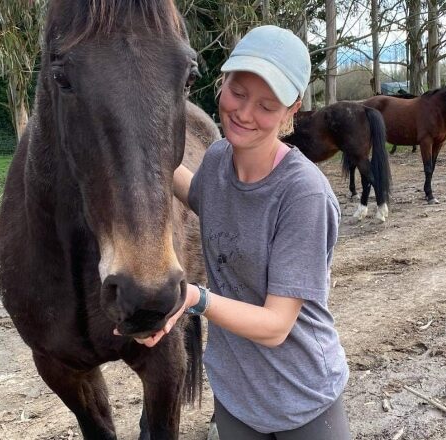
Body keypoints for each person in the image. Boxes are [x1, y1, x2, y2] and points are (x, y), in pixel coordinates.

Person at [135, 25, 350, 439]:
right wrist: (138, 151)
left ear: (292, 110)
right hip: (236, 397)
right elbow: (196, 192)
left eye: (268, 105)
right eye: (238, 92)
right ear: (223, 81)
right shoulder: (217, 160)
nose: (245, 113)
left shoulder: (302, 194)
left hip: (302, 397)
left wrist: (194, 299)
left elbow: (275, 325)